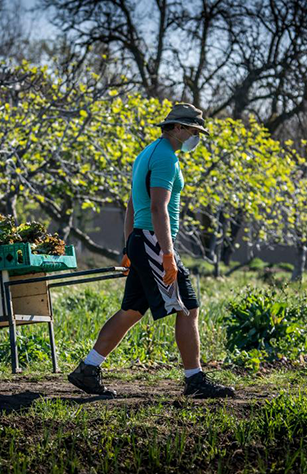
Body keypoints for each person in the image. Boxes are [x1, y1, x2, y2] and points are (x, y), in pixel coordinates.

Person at [68, 103, 235, 399]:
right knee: (189, 307)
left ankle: (88, 369)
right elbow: (157, 208)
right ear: (179, 128)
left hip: (142, 241)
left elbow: (132, 203)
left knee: (131, 311)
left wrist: (129, 245)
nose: (196, 136)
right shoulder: (166, 159)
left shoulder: (146, 153)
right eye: (194, 130)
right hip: (154, 242)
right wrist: (167, 252)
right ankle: (194, 380)